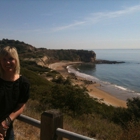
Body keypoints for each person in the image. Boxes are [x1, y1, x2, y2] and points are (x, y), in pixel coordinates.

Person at [0, 46, 30, 140]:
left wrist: (6, 123)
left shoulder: (23, 83)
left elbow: (21, 106)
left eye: (10, 59)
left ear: (16, 60)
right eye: (4, 59)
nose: (7, 62)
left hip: (7, 130)